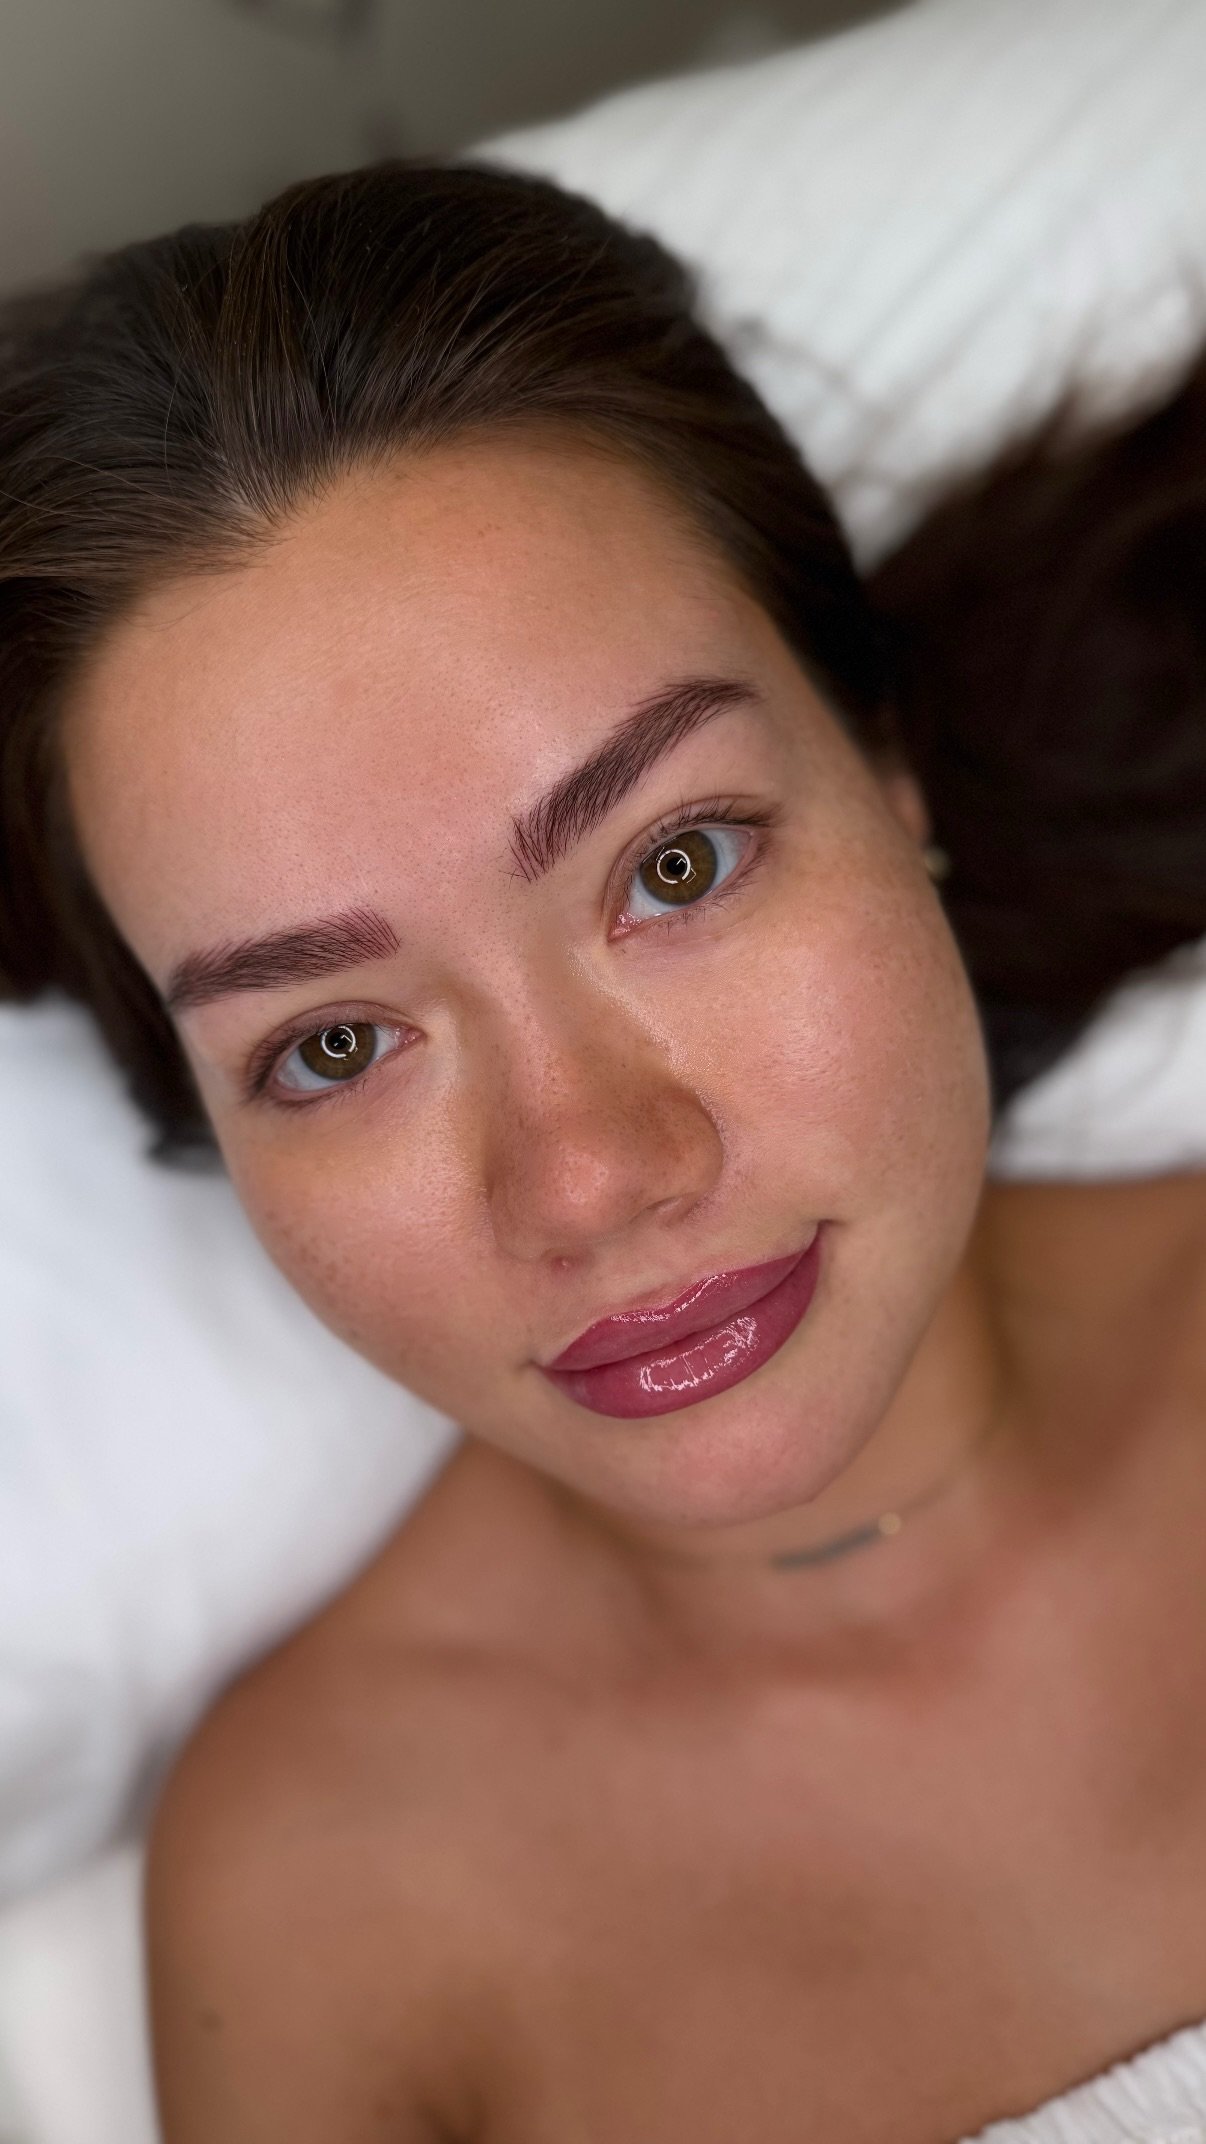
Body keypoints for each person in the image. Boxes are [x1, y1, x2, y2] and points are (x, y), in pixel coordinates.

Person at [2, 159, 1206, 2144]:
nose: (587, 1172)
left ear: (888, 764)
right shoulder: (331, 1908)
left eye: (675, 861)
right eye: (333, 1042)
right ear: (206, 1130)